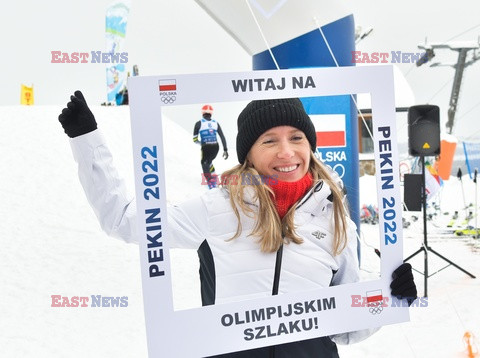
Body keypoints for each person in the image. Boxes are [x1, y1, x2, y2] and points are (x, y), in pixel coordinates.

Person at [58, 92, 417, 358]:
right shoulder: (217, 208)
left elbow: (348, 327)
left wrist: (389, 297)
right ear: (249, 153)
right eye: (269, 140)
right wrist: (86, 140)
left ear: (310, 145)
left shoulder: (335, 219)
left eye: (296, 138)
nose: (287, 152)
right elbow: (123, 220)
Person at [193, 104, 228, 189]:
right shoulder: (215, 123)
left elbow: (195, 139)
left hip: (206, 147)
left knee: (204, 163)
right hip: (216, 147)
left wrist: (202, 143)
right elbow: (222, 136)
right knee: (209, 161)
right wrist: (225, 150)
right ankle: (214, 177)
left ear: (202, 113)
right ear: (211, 113)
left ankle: (211, 183)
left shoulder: (198, 123)